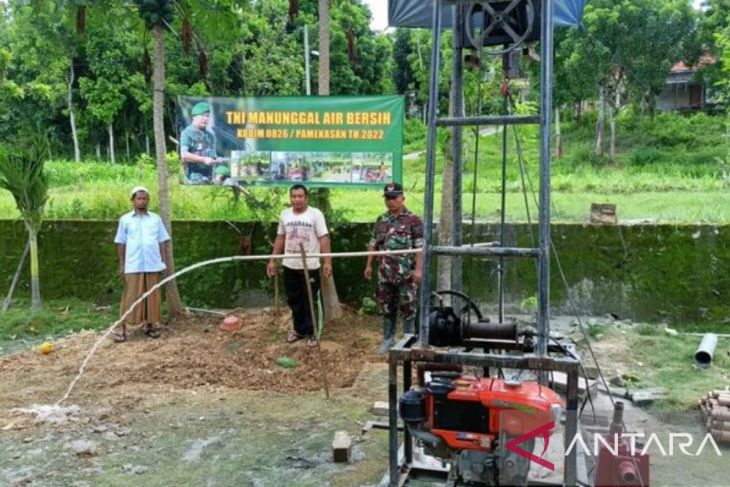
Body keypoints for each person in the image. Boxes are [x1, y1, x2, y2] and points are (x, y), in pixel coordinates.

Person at [267, 185, 332, 346]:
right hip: (290, 265)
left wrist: (327, 261)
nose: (297, 199)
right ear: (290, 198)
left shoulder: (315, 214)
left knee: (310, 299)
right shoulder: (285, 215)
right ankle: (299, 329)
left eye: (300, 196)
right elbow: (280, 238)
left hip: (310, 265)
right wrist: (273, 260)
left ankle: (313, 332)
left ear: (306, 198)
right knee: (294, 299)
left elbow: (324, 238)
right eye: (294, 196)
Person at [364, 182, 424, 353]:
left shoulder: (413, 220)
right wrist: (368, 265)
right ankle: (388, 340)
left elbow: (420, 246)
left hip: (406, 274)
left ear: (402, 198)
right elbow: (373, 243)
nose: (390, 202)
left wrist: (418, 269)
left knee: (408, 307)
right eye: (388, 198)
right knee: (386, 307)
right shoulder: (381, 220)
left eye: (394, 198)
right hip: (385, 273)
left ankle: (408, 340)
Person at [113, 186, 170, 342]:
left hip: (153, 263)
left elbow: (162, 241)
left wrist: (164, 262)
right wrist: (122, 265)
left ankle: (150, 325)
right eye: (139, 198)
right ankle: (122, 327)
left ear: (148, 201)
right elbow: (121, 243)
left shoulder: (155, 219)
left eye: (145, 198)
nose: (142, 201)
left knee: (152, 296)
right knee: (130, 296)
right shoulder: (125, 220)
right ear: (133, 200)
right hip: (133, 264)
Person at [180, 102, 220, 184]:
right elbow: (184, 155)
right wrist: (203, 159)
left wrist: (217, 160)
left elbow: (211, 155)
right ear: (194, 117)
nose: (205, 119)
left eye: (207, 116)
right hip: (193, 178)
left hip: (209, 178)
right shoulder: (187, 133)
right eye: (202, 115)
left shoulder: (210, 135)